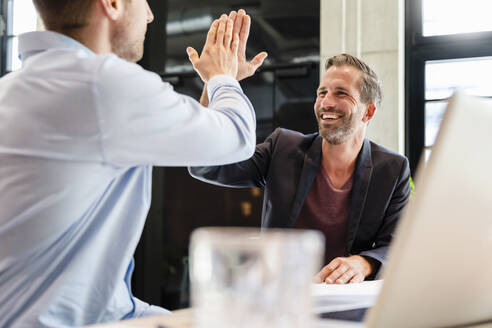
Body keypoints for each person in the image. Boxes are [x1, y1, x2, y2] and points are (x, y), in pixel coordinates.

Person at [0, 0, 266, 326]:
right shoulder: (106, 85)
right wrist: (222, 78)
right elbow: (237, 137)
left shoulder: (10, 88)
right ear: (112, 5)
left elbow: (202, 148)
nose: (151, 15)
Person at [190, 53, 411, 285]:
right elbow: (206, 164)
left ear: (369, 112)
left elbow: (396, 246)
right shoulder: (283, 148)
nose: (326, 103)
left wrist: (363, 263)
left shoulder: (392, 169)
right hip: (280, 297)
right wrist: (214, 80)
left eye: (341, 93)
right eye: (322, 92)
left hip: (345, 304)